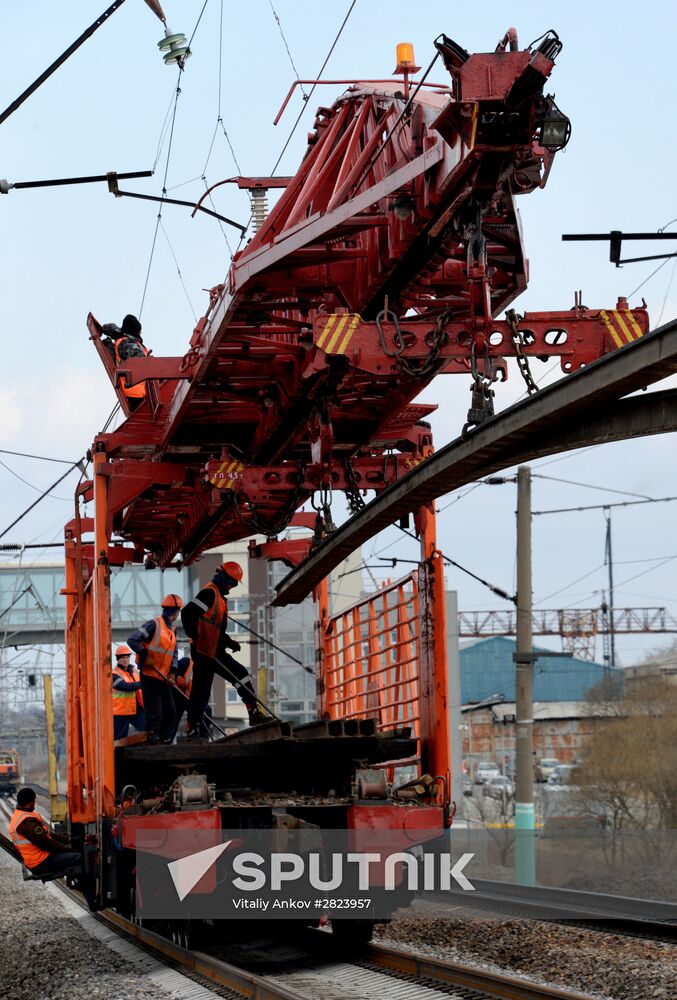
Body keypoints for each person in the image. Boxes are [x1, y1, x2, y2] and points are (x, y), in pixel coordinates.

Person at [181, 562, 266, 737]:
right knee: (240, 674)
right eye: (232, 582)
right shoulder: (209, 593)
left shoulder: (217, 596)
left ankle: (192, 729)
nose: (232, 586)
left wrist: (228, 642)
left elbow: (213, 627)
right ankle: (254, 713)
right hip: (209, 651)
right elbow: (187, 613)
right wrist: (197, 638)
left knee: (200, 692)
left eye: (234, 584)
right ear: (222, 576)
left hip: (208, 650)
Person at [127, 594, 183, 744]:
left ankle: (164, 741)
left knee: (171, 713)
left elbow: (174, 653)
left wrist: (172, 673)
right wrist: (145, 654)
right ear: (175, 611)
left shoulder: (173, 630)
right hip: (149, 676)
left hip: (164, 678)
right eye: (178, 611)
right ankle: (151, 741)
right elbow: (132, 640)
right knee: (155, 714)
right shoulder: (153, 625)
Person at [10, 787, 80, 881]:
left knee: (73, 853)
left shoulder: (19, 816)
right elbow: (45, 843)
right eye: (34, 801)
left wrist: (68, 840)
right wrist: (69, 848)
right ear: (30, 802)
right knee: (78, 857)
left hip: (36, 858)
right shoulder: (26, 822)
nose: (34, 803)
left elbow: (47, 835)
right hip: (40, 861)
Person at [102, 314, 149, 409]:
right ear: (136, 331)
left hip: (138, 392)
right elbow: (142, 363)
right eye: (139, 331)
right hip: (137, 394)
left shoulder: (125, 341)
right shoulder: (126, 343)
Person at [112, 644, 142, 741]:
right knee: (119, 739)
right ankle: (117, 756)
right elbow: (126, 687)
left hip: (135, 708)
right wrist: (144, 683)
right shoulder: (114, 674)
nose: (126, 660)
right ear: (118, 659)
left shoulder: (134, 671)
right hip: (121, 712)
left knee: (148, 728)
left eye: (128, 657)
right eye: (123, 658)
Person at [167, 655, 193, 742]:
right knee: (174, 720)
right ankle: (168, 740)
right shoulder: (186, 662)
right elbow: (175, 670)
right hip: (177, 694)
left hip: (187, 697)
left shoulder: (203, 670)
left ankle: (195, 734)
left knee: (205, 711)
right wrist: (178, 677)